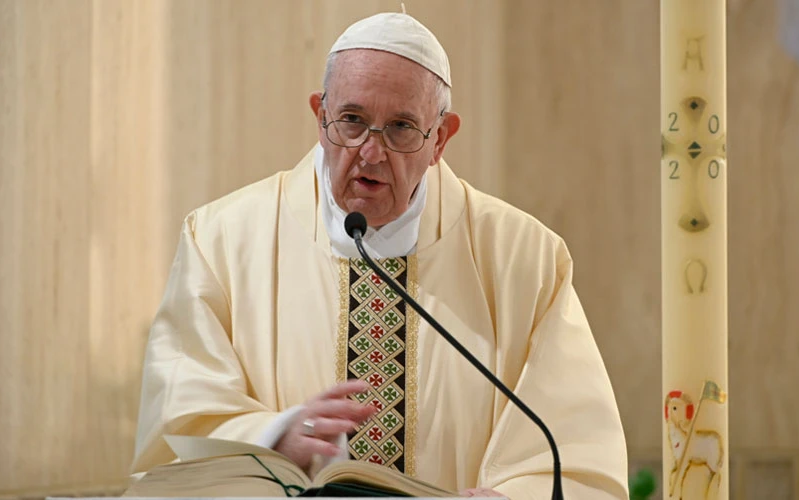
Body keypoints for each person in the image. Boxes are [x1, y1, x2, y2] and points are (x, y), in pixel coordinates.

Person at [130, 11, 628, 500]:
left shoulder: (526, 260)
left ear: (441, 139)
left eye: (401, 128)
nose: (370, 151)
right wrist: (271, 438)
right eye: (351, 121)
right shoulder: (220, 240)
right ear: (319, 116)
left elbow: (575, 454)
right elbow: (178, 417)